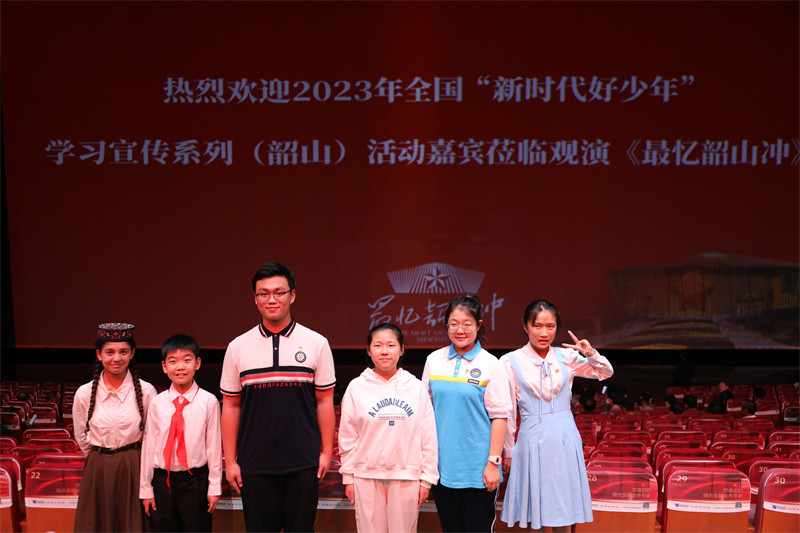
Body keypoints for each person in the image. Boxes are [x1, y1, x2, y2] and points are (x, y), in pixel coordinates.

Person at [220, 261, 336, 532]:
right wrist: (231, 461)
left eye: (279, 292)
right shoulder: (238, 347)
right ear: (255, 298)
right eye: (263, 293)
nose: (271, 299)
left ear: (292, 295)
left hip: (303, 460)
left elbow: (324, 401)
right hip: (254, 462)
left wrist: (326, 453)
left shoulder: (316, 343)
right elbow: (231, 406)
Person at [500, 300, 613, 532]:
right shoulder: (510, 361)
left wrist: (590, 353)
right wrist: (509, 450)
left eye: (550, 326)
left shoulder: (567, 356)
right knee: (535, 509)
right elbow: (508, 412)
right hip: (531, 438)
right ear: (525, 326)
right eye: (537, 326)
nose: (544, 333)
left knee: (564, 506)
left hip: (564, 438)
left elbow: (605, 372)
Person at [421, 294, 512, 532]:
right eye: (453, 324)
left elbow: (500, 417)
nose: (460, 330)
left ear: (479, 325)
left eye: (467, 324)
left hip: (478, 470)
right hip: (443, 468)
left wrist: (493, 463)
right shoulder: (434, 360)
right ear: (446, 325)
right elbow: (424, 412)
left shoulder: (491, 364)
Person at [338, 323, 438, 532]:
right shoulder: (356, 387)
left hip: (406, 476)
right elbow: (348, 436)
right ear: (369, 350)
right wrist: (348, 477)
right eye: (378, 345)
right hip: (365, 476)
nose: (384, 351)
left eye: (391, 345)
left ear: (401, 350)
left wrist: (427, 480)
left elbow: (428, 436)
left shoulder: (416, 387)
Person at [73, 323, 157, 532]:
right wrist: (100, 457)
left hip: (133, 465)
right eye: (109, 352)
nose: (116, 358)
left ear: (132, 353)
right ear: (99, 354)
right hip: (97, 468)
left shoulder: (146, 391)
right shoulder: (84, 393)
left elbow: (152, 437)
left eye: (123, 352)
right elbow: (81, 436)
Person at [139, 334, 222, 532]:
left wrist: (214, 486)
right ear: (164, 366)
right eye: (173, 361)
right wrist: (146, 488)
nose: (180, 367)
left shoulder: (208, 401)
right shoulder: (157, 402)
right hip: (162, 481)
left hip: (195, 480)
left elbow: (214, 447)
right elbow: (149, 447)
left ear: (197, 363)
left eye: (187, 360)